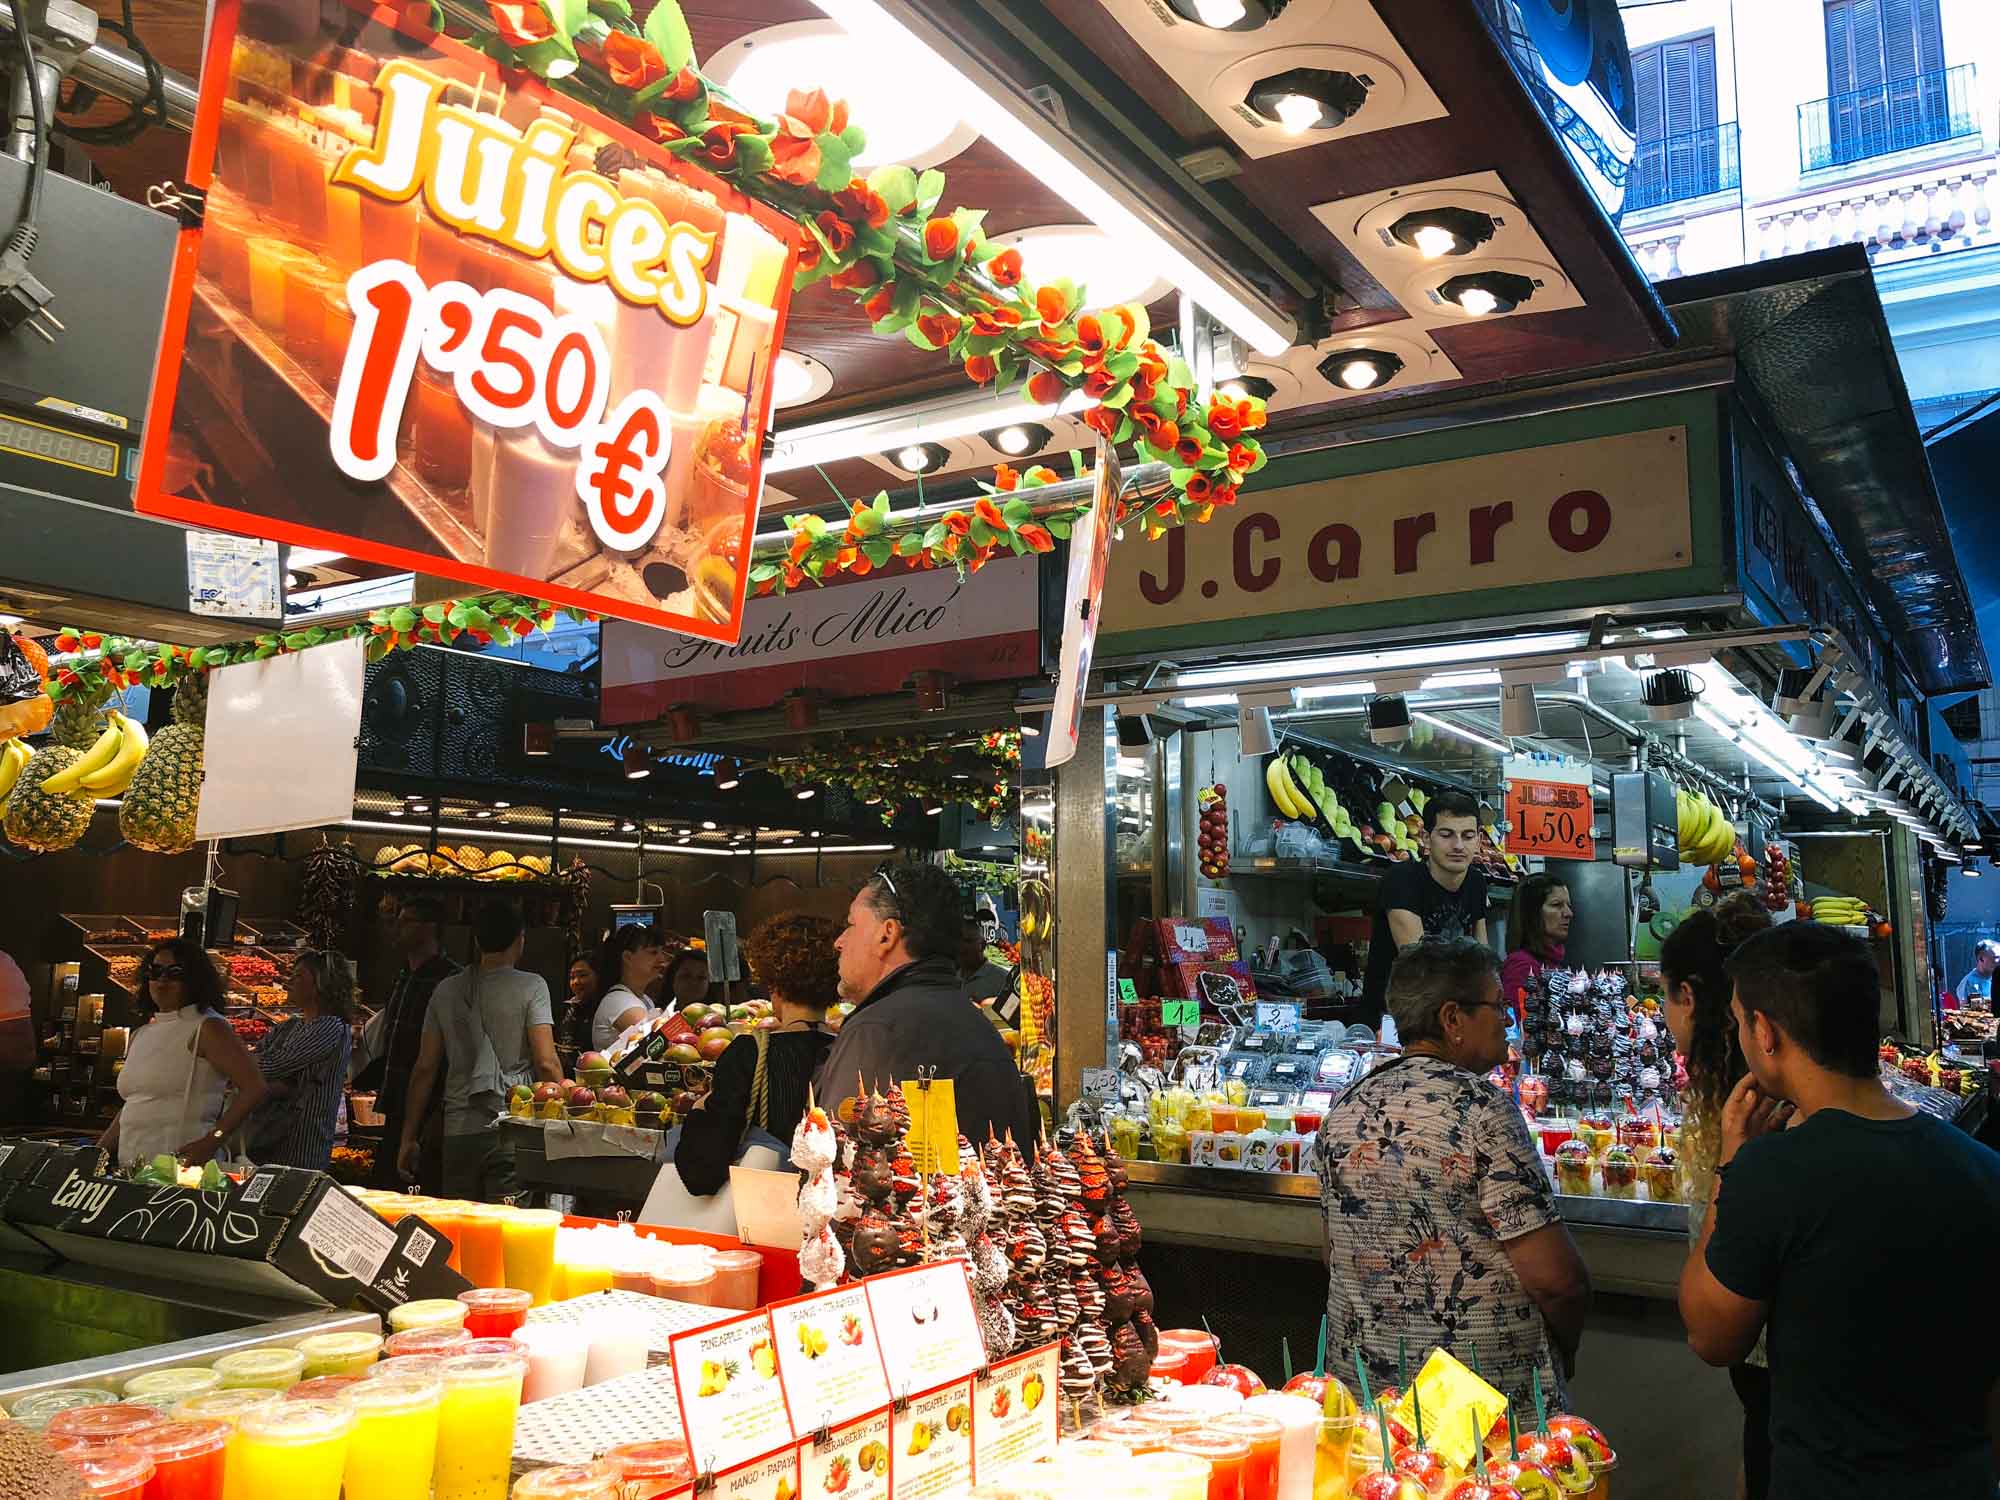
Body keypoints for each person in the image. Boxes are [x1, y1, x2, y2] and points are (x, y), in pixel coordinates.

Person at [1680, 923, 2000, 1499]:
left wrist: (1732, 1162)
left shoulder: (1772, 1171)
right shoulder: (1983, 1168)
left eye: (1738, 1021)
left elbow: (1711, 1334)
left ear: (1766, 1032)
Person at [1318, 937, 1590, 1408]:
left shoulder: (1344, 1108)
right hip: (1475, 1409)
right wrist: (1565, 1346)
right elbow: (1556, 1280)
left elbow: (1334, 1252)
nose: (1507, 1019)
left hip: (1366, 1396)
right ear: (1452, 1019)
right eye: (1497, 1006)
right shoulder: (1484, 1112)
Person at [1659, 892, 1773, 1499]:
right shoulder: (1742, 1094)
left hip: (1773, 1365)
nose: (1664, 1015)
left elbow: (1711, 1330)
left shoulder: (1749, 1110)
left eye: (1666, 995)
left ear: (1694, 997)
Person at [816, 862, 1037, 1152]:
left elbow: (835, 1166)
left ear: (887, 934)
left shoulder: (875, 1032)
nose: (839, 942)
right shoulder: (977, 1024)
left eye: (851, 925)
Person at [399, 901, 561, 1201]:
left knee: (462, 1227)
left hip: (458, 1132)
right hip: (511, 1129)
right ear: (520, 939)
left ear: (476, 940)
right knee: (504, 1230)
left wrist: (408, 1137)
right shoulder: (532, 987)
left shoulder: (445, 990)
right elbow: (547, 1062)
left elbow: (424, 1069)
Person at [674, 914, 840, 1196]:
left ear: (773, 982)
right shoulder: (849, 1049)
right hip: (833, 1214)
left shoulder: (749, 1053)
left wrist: (702, 1107)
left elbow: (701, 1172)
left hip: (762, 1220)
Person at [101, 940, 268, 1169]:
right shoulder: (141, 1034)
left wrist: (212, 1141)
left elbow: (254, 1087)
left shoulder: (208, 1027)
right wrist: (98, 1151)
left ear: (194, 980)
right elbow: (136, 1103)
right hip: (133, 1167)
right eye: (155, 971)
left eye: (175, 972)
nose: (162, 980)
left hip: (183, 1170)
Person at [1360, 789, 1489, 1032]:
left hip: (1454, 1022)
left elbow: (1483, 959)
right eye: (1447, 834)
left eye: (1468, 835)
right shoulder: (1402, 880)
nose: (1458, 845)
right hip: (1394, 1025)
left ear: (1479, 841)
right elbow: (1421, 965)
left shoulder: (1476, 882)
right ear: (1427, 839)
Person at [368, 897, 459, 1189]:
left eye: (407, 921)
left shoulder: (449, 980)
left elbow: (441, 1056)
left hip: (429, 1108)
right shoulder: (404, 975)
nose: (398, 928)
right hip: (397, 1099)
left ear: (429, 928)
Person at [247, 950, 356, 1170]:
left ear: (320, 985)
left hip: (302, 1144)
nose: (289, 982)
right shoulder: (291, 1025)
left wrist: (234, 1062)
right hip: (273, 1137)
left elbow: (270, 1065)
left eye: (298, 977)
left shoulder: (330, 1027)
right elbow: (258, 1058)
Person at [1499, 873, 1572, 1015]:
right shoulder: (1522, 965)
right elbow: (1517, 1028)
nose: (1569, 913)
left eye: (1568, 905)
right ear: (1532, 913)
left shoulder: (1553, 963)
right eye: (1556, 905)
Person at [588, 925, 668, 1052]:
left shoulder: (645, 999)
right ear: (628, 957)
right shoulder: (619, 1001)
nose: (662, 959)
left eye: (661, 952)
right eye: (653, 952)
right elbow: (659, 1044)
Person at [958, 915, 1012, 1009]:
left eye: (968, 941)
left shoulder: (1003, 980)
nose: (963, 947)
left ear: (982, 945)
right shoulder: (952, 978)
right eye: (959, 942)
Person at [562, 953, 601, 1053]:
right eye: (572, 977)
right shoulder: (570, 1008)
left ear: (598, 976)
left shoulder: (605, 1006)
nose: (575, 982)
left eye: (582, 975)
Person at [662, 945, 714, 1014]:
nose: (693, 982)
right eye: (686, 975)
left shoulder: (718, 1021)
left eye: (701, 977)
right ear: (672, 978)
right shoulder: (655, 1015)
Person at [1954, 939, 1998, 1008]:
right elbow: (1975, 1011)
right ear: (1981, 959)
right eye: (1996, 957)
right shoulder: (1969, 983)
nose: (1999, 961)